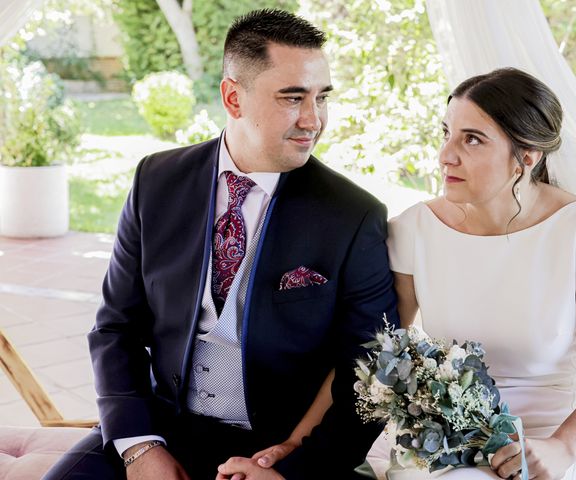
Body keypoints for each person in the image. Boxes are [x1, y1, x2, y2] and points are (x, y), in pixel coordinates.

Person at [44, 8, 398, 480]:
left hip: (281, 448)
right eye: (293, 98)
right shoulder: (156, 180)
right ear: (233, 97)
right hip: (160, 427)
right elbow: (115, 328)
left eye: (321, 97)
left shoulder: (354, 215)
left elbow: (368, 368)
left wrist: (291, 469)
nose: (314, 119)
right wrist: (139, 447)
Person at [376, 67, 576, 479]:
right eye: (446, 133)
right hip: (447, 441)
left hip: (557, 437)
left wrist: (562, 447)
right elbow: (375, 345)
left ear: (526, 158)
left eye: (472, 140)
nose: (446, 154)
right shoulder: (414, 231)